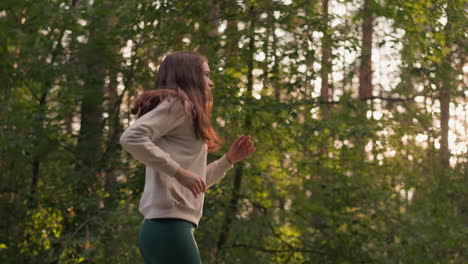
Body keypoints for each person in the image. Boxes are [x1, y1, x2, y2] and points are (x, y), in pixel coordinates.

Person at [119, 51, 255, 264]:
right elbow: (131, 137)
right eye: (206, 75)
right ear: (188, 75)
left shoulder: (184, 112)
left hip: (165, 228)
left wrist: (227, 160)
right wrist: (179, 173)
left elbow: (195, 183)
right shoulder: (179, 104)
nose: (211, 83)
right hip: (169, 228)